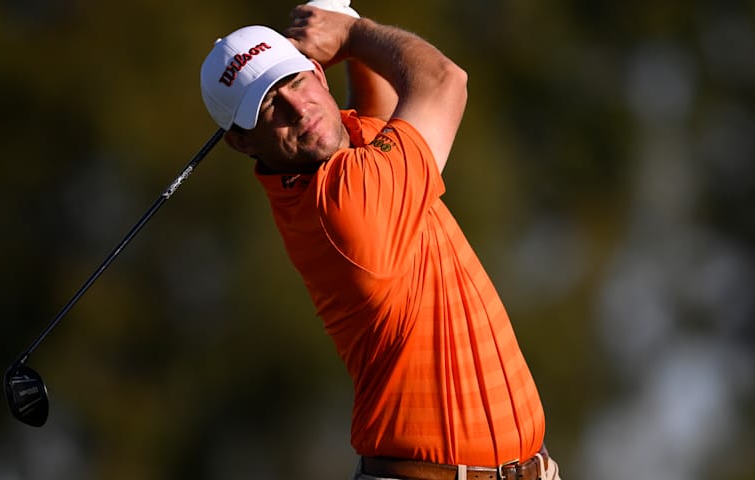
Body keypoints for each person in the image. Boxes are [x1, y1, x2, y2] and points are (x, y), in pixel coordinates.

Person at [200, 3, 562, 480]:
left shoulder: (336, 169)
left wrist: (339, 21)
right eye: (269, 107)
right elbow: (444, 80)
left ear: (317, 74)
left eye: (294, 81)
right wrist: (353, 33)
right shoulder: (343, 204)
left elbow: (378, 118)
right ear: (243, 142)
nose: (298, 109)